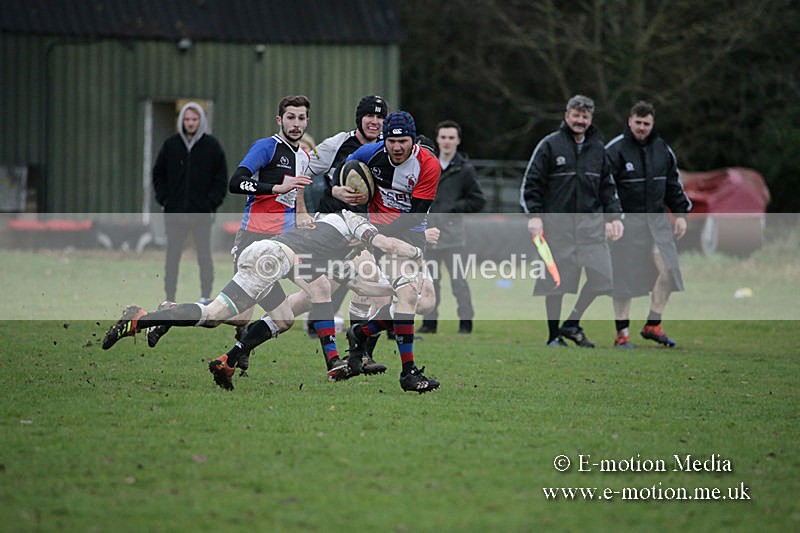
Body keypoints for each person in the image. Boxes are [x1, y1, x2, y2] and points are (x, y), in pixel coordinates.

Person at [100, 210, 432, 392]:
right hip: (267, 258)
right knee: (216, 314)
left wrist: (398, 290)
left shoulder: (329, 247)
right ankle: (140, 319)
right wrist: (417, 251)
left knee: (284, 317)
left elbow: (359, 284)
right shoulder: (350, 221)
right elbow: (385, 243)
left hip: (274, 260)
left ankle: (225, 360)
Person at [146, 95, 312, 369]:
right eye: (290, 117)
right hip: (255, 242)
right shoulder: (266, 147)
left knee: (281, 319)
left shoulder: (303, 157)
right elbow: (237, 182)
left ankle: (232, 351)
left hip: (281, 245)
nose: (296, 124)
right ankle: (173, 315)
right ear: (279, 120)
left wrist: (303, 221)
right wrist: (275, 188)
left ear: (307, 120)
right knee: (228, 316)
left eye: (301, 118)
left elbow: (292, 203)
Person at [344, 110, 441, 390]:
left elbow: (413, 217)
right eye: (391, 141)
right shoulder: (368, 154)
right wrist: (353, 206)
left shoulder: (428, 165)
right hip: (382, 239)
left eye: (404, 141)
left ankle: (361, 332)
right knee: (408, 294)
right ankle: (408, 373)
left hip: (409, 234)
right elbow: (348, 174)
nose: (397, 147)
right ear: (384, 140)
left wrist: (375, 235)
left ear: (413, 141)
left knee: (417, 300)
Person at [519, 94, 624, 347]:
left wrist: (613, 217)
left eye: (585, 117)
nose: (580, 120)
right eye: (576, 115)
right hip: (557, 228)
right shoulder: (550, 145)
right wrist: (535, 216)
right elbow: (531, 185)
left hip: (590, 227)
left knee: (604, 279)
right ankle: (554, 336)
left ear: (590, 119)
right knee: (555, 284)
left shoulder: (599, 149)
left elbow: (607, 188)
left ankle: (572, 323)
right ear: (567, 116)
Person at [605, 100, 691, 348]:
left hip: (657, 222)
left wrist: (681, 215)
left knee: (669, 270)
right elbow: (604, 188)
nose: (642, 127)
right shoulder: (615, 150)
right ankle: (622, 334)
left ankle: (653, 324)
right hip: (626, 223)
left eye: (647, 123)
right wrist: (610, 219)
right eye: (638, 122)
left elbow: (674, 186)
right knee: (624, 280)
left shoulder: (663, 150)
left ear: (653, 124)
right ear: (629, 121)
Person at [152, 101, 227, 305]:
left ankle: (205, 296)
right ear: (181, 121)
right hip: (175, 213)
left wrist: (211, 203)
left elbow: (221, 179)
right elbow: (158, 174)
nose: (191, 123)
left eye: (194, 119)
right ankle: (169, 297)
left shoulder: (212, 146)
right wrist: (165, 199)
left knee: (204, 255)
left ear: (200, 121)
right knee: (172, 257)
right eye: (187, 119)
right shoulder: (171, 145)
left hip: (201, 213)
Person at [418, 120, 486, 334]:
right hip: (430, 234)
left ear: (458, 140)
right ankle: (430, 323)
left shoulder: (465, 169)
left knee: (459, 282)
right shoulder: (427, 164)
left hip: (454, 236)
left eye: (451, 138)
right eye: (443, 137)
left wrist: (453, 208)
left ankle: (466, 323)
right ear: (437, 139)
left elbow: (478, 200)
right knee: (431, 281)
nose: (447, 142)